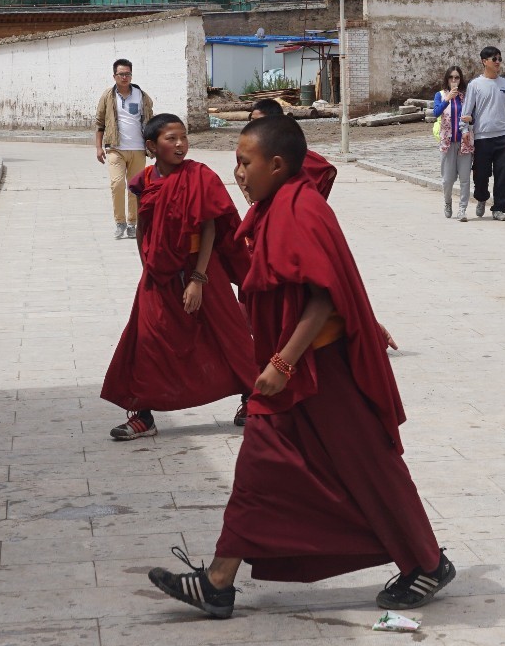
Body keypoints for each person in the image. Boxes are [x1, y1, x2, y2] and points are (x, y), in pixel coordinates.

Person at [147, 113, 452, 618]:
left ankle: (428, 563)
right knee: (260, 468)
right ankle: (219, 581)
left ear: (278, 164)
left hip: (321, 368)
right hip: (296, 368)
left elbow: (324, 296)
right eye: (235, 164)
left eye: (245, 164)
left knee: (370, 466)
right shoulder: (279, 204)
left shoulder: (298, 209)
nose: (238, 174)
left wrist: (283, 363)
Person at [101, 113, 254, 441]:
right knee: (147, 339)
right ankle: (143, 415)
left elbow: (210, 225)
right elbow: (143, 225)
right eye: (171, 138)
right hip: (160, 272)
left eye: (183, 137)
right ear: (152, 146)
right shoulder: (144, 181)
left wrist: (198, 278)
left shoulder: (199, 176)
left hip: (201, 265)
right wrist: (148, 265)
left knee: (229, 332)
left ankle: (252, 399)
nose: (180, 144)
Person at [94, 59, 153, 240]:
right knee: (117, 184)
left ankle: (132, 223)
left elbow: (150, 121)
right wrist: (98, 147)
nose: (125, 77)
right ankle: (119, 222)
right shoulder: (107, 96)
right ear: (114, 76)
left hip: (137, 149)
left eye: (128, 74)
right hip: (115, 148)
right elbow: (100, 123)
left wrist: (153, 146)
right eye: (121, 74)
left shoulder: (141, 96)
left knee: (135, 188)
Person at [459, 45, 505, 221]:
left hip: (503, 135)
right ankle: (482, 197)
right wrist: (464, 129)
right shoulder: (475, 85)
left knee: (504, 174)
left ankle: (499, 208)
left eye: (500, 59)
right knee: (481, 174)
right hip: (483, 137)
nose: (498, 62)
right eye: (494, 59)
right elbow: (467, 111)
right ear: (485, 62)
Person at [247, 96, 337, 196]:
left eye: (258, 121)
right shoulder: (250, 147)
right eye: (252, 120)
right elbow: (239, 170)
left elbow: (326, 170)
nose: (253, 125)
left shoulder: (287, 148)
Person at [431, 64, 470, 220]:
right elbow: (435, 113)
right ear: (447, 79)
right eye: (451, 77)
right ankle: (448, 202)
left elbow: (472, 114)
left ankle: (462, 209)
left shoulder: (465, 96)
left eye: (457, 77)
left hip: (464, 142)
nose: (454, 80)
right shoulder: (440, 95)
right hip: (447, 143)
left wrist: (471, 118)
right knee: (447, 180)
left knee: (465, 179)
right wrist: (447, 99)